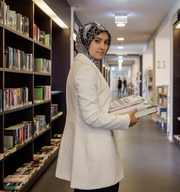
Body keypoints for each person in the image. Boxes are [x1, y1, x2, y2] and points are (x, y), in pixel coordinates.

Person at [55, 22, 139, 192]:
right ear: (85, 41)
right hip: (93, 150)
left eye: (106, 42)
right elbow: (92, 116)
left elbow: (92, 104)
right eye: (97, 41)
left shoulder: (83, 66)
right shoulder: (86, 70)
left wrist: (119, 106)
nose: (103, 47)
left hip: (90, 147)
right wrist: (125, 120)